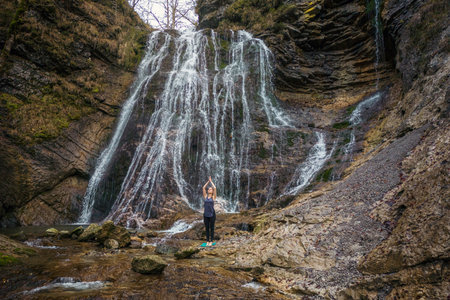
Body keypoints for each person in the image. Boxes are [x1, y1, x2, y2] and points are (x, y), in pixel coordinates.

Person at [202, 176, 216, 246]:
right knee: (207, 228)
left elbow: (215, 188)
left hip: (212, 214)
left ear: (212, 191)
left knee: (212, 227)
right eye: (209, 189)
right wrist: (208, 182)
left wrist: (211, 182)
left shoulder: (213, 197)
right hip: (205, 214)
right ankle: (207, 240)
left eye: (211, 189)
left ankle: (211, 241)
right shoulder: (205, 197)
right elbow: (203, 188)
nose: (210, 190)